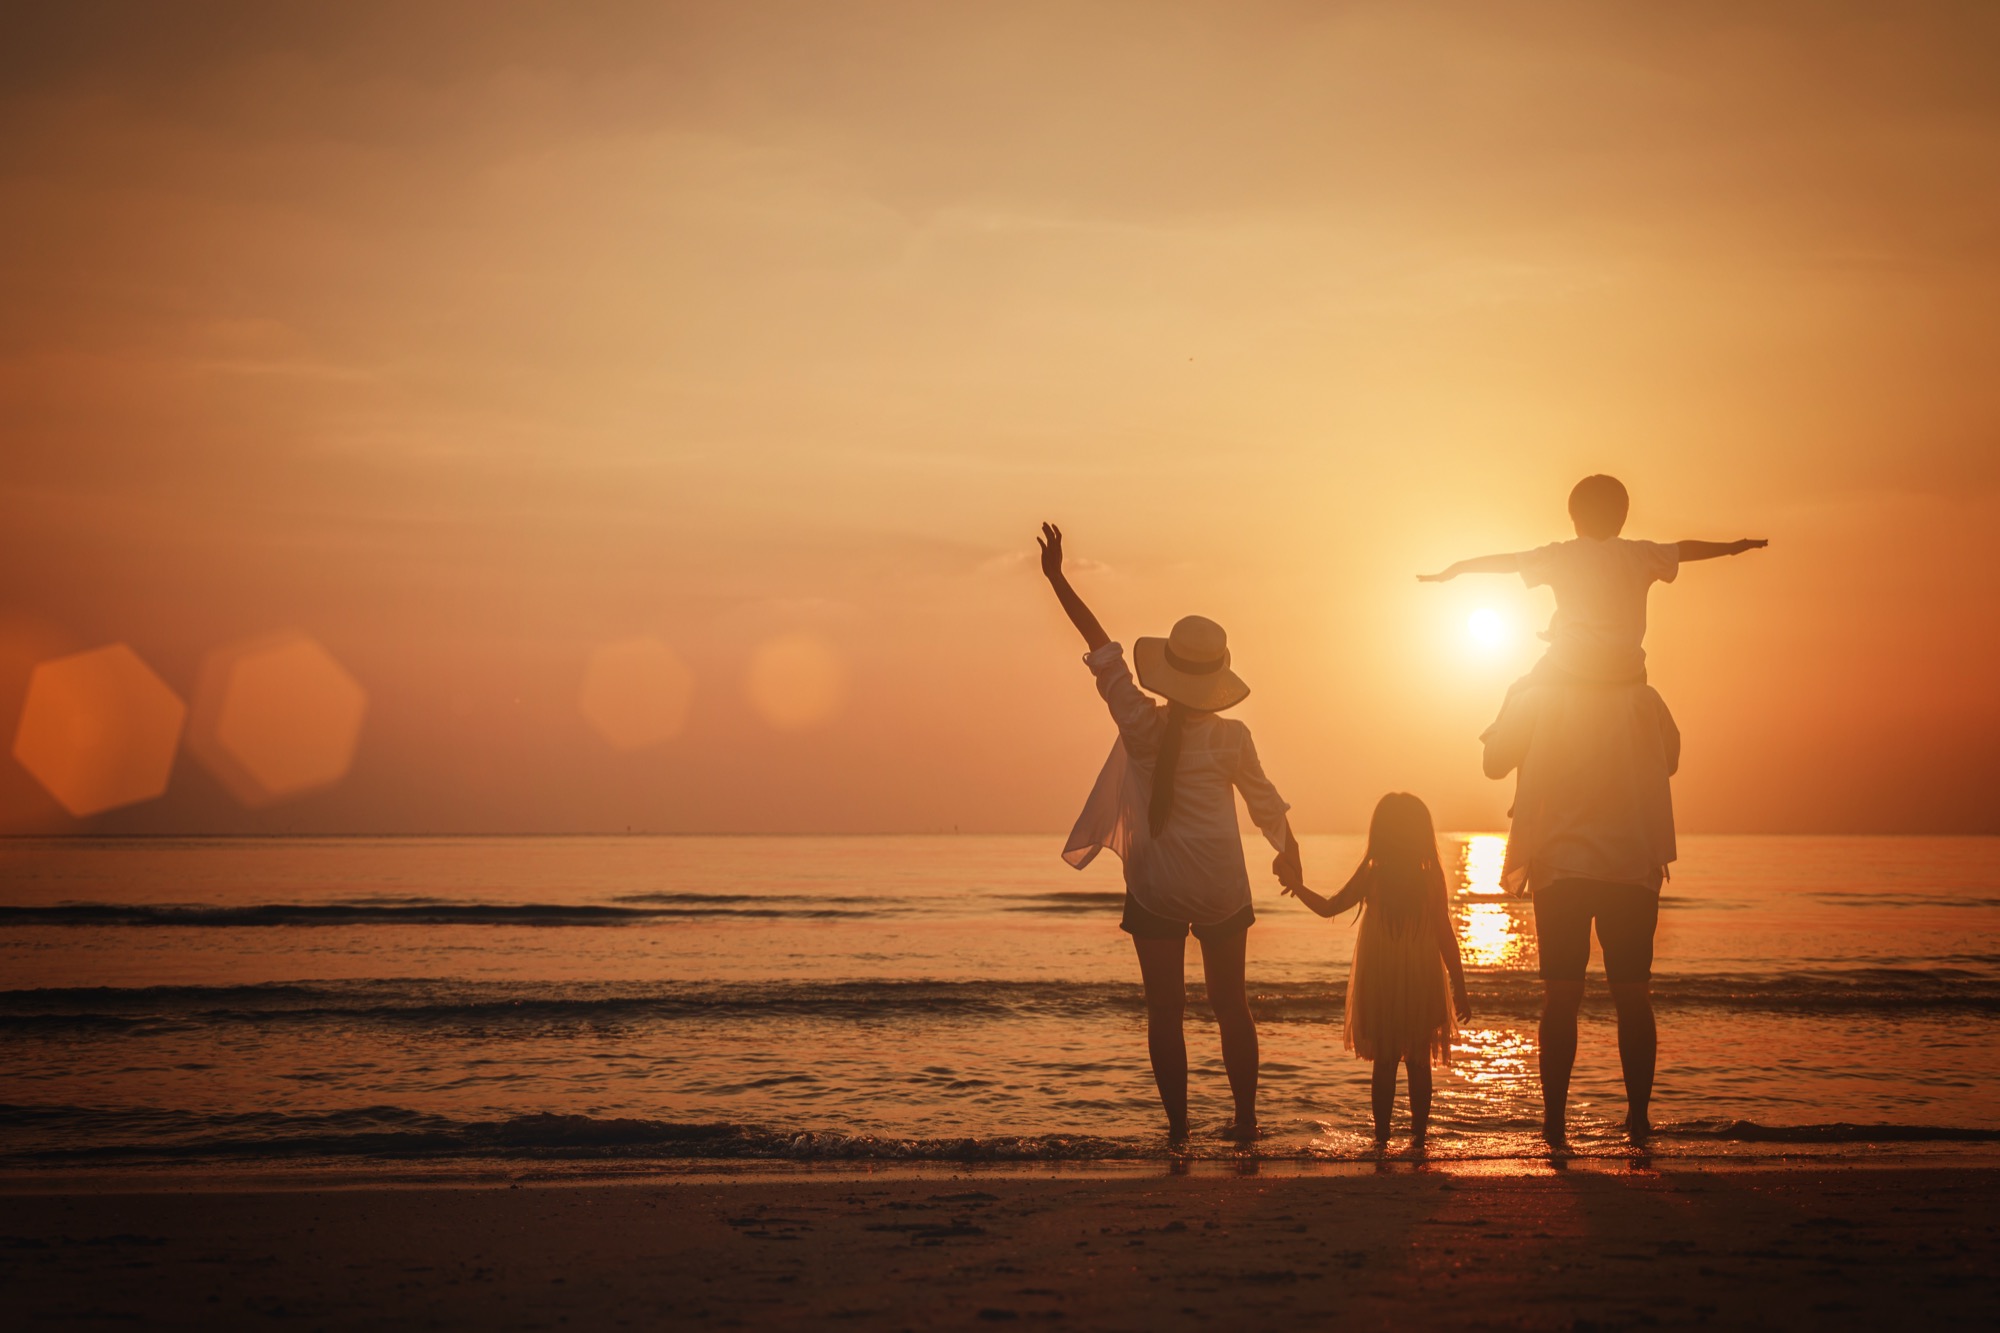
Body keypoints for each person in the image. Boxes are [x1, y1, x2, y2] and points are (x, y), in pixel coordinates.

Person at [1038, 522, 1297, 1145]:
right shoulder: (1233, 737)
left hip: (1155, 883)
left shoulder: (1141, 724)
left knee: (1165, 1010)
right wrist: (1290, 857)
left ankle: (1179, 1130)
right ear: (1218, 678)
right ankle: (1245, 1122)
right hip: (1220, 885)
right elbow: (1267, 807)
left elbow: (1103, 650)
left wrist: (1057, 579)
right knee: (1231, 1005)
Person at [1481, 675, 1681, 1146]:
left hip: (1560, 864)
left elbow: (1493, 765)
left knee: (1561, 995)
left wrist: (1513, 702)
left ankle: (1554, 1123)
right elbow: (1668, 761)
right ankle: (1638, 1119)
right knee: (1633, 996)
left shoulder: (1536, 692)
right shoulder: (1643, 696)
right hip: (1631, 862)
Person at [1418, 473, 1766, 690]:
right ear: (1621, 518)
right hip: (1626, 670)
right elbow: (1686, 549)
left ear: (1575, 518)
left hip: (1572, 667)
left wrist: (1460, 568)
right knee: (1641, 690)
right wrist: (1733, 548)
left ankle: (1515, 770)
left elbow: (1508, 562)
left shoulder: (1561, 555)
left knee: (1522, 694)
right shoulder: (1640, 555)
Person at [1278, 793, 1470, 1154]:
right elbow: (1446, 937)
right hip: (1420, 977)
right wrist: (1459, 987)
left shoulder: (1373, 875)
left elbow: (1329, 907)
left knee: (1384, 1062)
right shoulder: (1430, 879)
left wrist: (1297, 885)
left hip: (1381, 977)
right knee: (1418, 1062)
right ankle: (1419, 1140)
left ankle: (1381, 1140)